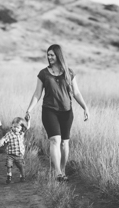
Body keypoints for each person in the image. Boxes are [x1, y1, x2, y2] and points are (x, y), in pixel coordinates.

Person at [24, 44, 90, 182]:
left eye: (52, 55)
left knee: (65, 143)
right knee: (55, 140)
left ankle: (63, 169)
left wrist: (85, 107)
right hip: (49, 111)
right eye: (48, 55)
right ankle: (57, 172)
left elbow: (76, 92)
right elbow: (37, 94)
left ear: (58, 55)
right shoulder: (43, 73)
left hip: (67, 112)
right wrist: (29, 109)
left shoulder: (69, 72)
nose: (49, 57)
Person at [0, 116, 30, 184]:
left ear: (21, 128)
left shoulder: (21, 133)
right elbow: (4, 138)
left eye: (17, 127)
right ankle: (9, 177)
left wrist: (28, 120)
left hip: (19, 155)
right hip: (11, 155)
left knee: (21, 166)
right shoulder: (9, 134)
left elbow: (27, 127)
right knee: (9, 165)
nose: (15, 129)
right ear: (12, 126)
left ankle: (22, 177)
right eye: (14, 126)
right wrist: (1, 141)